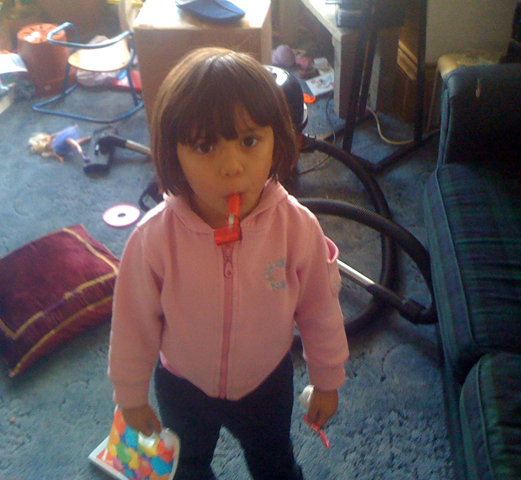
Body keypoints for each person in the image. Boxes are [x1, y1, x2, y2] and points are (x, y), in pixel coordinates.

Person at [108, 47, 349, 480]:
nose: (232, 166)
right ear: (173, 153)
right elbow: (132, 322)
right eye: (205, 146)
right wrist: (130, 395)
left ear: (278, 140)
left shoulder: (297, 228)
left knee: (274, 462)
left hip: (266, 383)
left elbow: (320, 309)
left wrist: (327, 378)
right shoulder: (153, 238)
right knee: (188, 465)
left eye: (249, 141)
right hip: (183, 384)